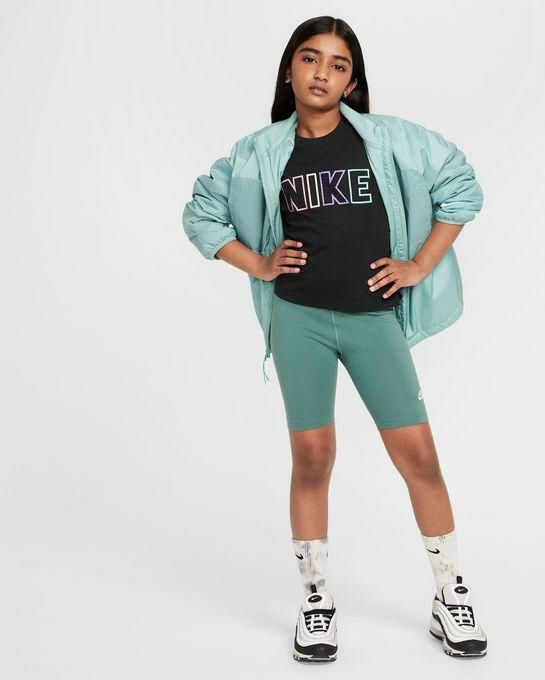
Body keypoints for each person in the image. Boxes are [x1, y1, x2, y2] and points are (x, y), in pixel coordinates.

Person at [182, 15, 487, 662]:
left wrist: (419, 265)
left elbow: (461, 185)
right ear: (288, 70)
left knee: (419, 457)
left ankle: (450, 594)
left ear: (352, 83)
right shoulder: (258, 152)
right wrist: (258, 262)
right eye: (310, 58)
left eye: (338, 64)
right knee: (313, 458)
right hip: (300, 320)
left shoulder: (390, 140)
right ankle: (316, 601)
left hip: (373, 319)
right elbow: (201, 213)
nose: (322, 72)